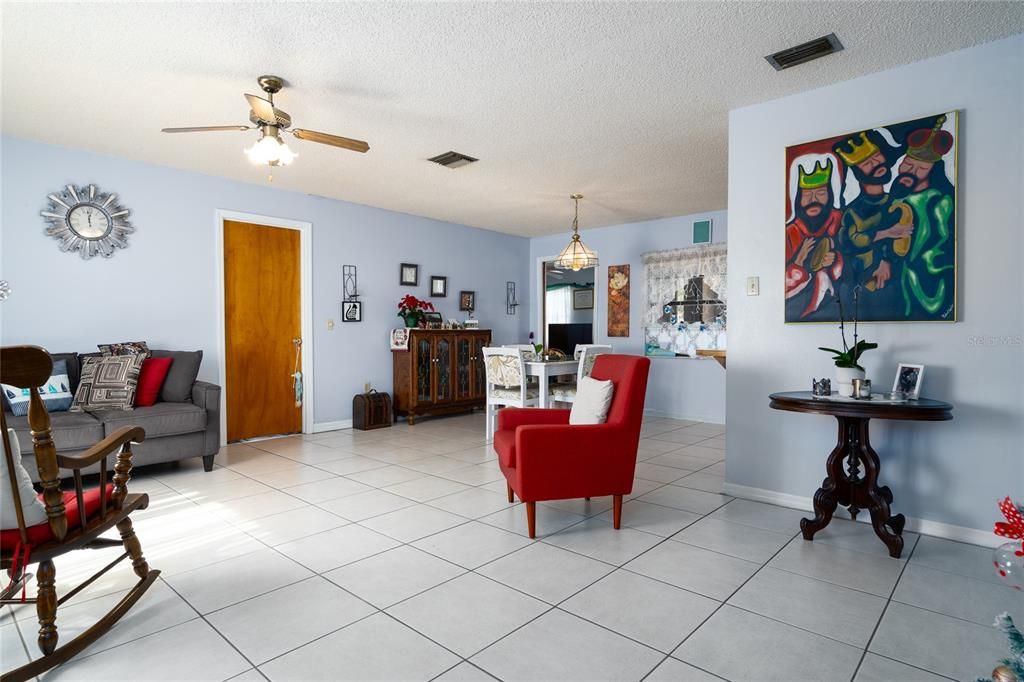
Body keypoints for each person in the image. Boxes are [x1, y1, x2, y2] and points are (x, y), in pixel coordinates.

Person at [834, 130, 912, 317]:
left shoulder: (896, 203)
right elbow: (848, 241)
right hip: (858, 287)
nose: (877, 164)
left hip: (893, 285)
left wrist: (886, 260)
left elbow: (904, 239)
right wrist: (886, 233)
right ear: (859, 174)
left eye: (877, 157)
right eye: (868, 163)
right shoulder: (853, 211)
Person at [890, 115, 956, 319]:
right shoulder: (896, 199)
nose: (911, 172)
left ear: (932, 171)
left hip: (930, 277)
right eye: (908, 165)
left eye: (921, 168)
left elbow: (943, 240)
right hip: (899, 279)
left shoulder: (940, 200)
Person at [785, 158, 844, 320]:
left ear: (830, 195)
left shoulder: (840, 220)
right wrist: (799, 261)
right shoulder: (790, 232)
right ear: (798, 198)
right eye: (807, 195)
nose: (813, 200)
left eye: (821, 193)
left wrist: (836, 260)